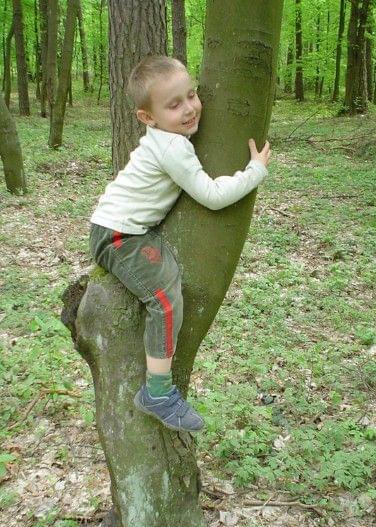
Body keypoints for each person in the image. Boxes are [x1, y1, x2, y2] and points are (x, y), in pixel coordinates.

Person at [89, 55, 271, 433]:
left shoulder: (169, 139)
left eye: (191, 95)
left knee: (165, 288)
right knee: (165, 297)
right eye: (174, 105)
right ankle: (157, 392)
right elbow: (212, 195)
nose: (189, 108)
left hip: (121, 228)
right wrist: (255, 171)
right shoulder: (172, 147)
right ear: (147, 117)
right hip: (119, 235)